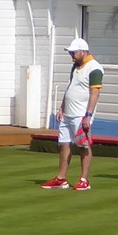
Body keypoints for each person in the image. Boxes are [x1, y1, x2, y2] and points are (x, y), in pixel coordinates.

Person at [42, 38, 103, 191]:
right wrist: (62, 108)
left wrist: (88, 115)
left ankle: (84, 179)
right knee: (64, 144)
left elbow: (95, 93)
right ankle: (61, 178)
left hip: (81, 114)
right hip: (68, 113)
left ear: (83, 51)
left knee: (83, 146)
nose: (72, 56)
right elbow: (71, 87)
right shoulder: (75, 67)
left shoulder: (94, 68)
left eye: (73, 53)